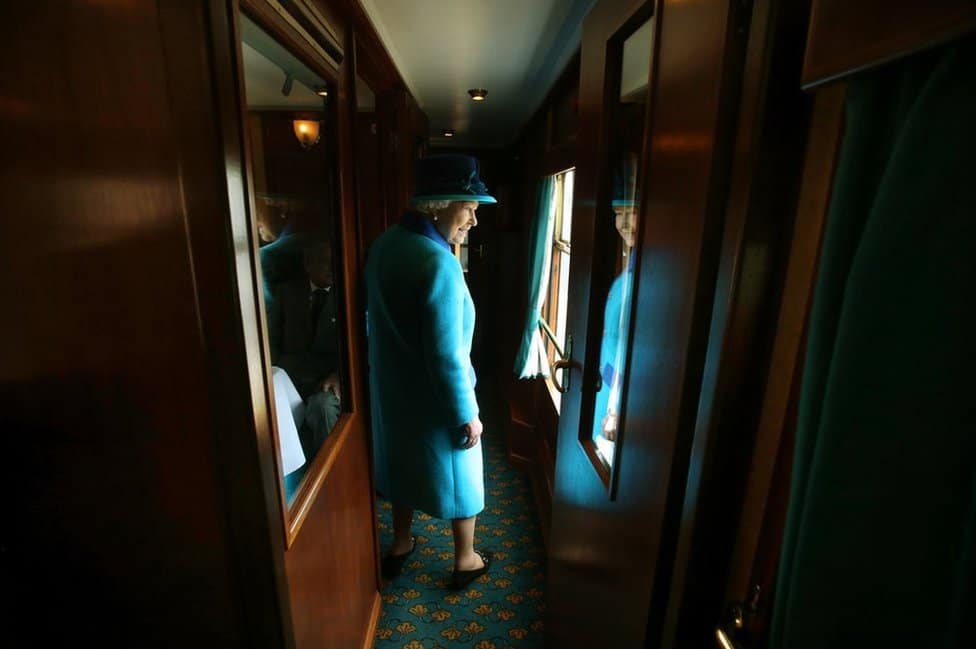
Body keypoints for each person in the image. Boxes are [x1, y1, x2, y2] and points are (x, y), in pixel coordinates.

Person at [365, 154, 497, 590]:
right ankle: (465, 559)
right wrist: (467, 412)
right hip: (437, 397)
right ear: (439, 204)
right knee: (464, 475)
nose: (474, 221)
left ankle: (401, 543)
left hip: (392, 391)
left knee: (402, 467)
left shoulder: (385, 244)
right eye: (470, 208)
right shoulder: (438, 263)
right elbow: (448, 355)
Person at [268, 238, 342, 460]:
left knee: (322, 408)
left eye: (333, 262)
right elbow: (270, 339)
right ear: (307, 264)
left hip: (327, 381)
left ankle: (331, 475)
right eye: (323, 262)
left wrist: (340, 374)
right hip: (289, 378)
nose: (331, 269)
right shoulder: (286, 293)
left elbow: (363, 345)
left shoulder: (347, 295)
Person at [592, 159, 638, 460]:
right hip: (608, 386)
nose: (623, 225)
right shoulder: (632, 268)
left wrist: (616, 408)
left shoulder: (652, 276)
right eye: (618, 214)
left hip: (623, 399)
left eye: (632, 213)